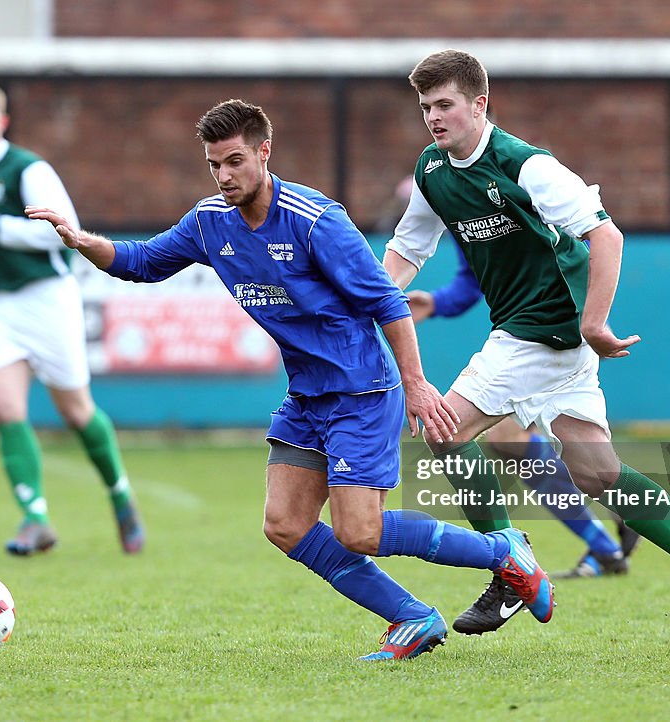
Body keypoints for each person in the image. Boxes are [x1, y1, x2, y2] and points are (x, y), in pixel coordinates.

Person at [28, 98, 556, 661]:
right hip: (307, 396)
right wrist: (84, 241)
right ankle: (412, 617)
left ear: (264, 152)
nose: (224, 176)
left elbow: (388, 303)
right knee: (285, 525)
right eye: (214, 165)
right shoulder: (210, 223)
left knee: (360, 531)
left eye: (234, 162)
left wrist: (418, 383)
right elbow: (141, 262)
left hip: (360, 392)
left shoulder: (316, 220)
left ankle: (502, 551)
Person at [383, 50, 670, 651]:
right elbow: (408, 249)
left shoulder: (527, 166)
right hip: (541, 335)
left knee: (441, 427)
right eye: (426, 107)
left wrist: (595, 322)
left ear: (480, 104)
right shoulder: (433, 171)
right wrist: (375, 299)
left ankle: (511, 567)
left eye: (446, 105)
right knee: (597, 473)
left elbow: (604, 234)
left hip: (541, 333)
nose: (434, 117)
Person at [0, 77, 144, 556]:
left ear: (2, 120)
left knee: (76, 412)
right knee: (4, 410)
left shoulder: (27, 170)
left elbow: (64, 231)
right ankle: (35, 517)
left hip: (46, 299)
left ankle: (120, 493)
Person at [407, 243, 641, 584]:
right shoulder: (460, 209)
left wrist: (586, 318)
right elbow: (470, 283)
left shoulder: (515, 193)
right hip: (527, 335)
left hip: (554, 331)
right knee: (516, 442)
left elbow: (587, 242)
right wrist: (436, 303)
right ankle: (617, 520)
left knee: (520, 440)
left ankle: (618, 522)